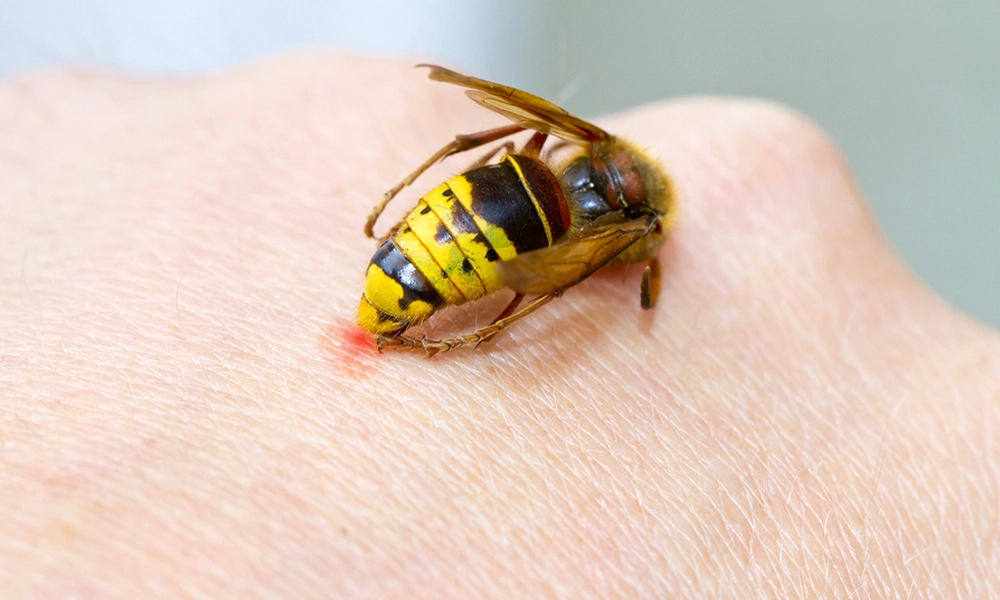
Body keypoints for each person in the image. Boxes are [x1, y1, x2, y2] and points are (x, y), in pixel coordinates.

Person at [2, 53, 997, 597]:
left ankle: (425, 247)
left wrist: (413, 196)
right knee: (538, 269)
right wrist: (498, 320)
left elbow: (491, 135)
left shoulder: (573, 156)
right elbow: (553, 276)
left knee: (515, 207)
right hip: (448, 258)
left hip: (425, 240)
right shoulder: (621, 238)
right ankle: (459, 305)